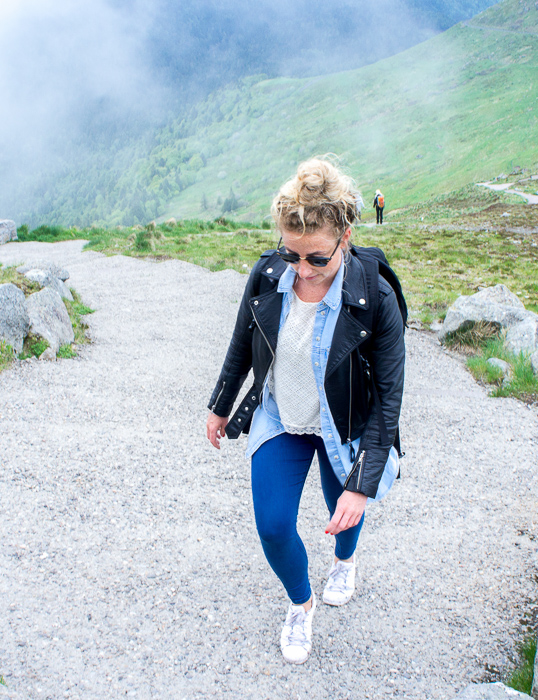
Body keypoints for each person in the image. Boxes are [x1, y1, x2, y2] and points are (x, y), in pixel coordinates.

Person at [205, 158, 406, 665]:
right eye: (289, 253)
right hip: (280, 415)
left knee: (341, 511)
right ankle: (301, 604)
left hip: (344, 425)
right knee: (273, 525)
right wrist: (221, 405)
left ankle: (344, 562)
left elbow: (389, 399)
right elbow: (241, 342)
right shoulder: (269, 273)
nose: (300, 269)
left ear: (345, 237)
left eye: (316, 258)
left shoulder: (376, 296)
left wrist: (362, 484)